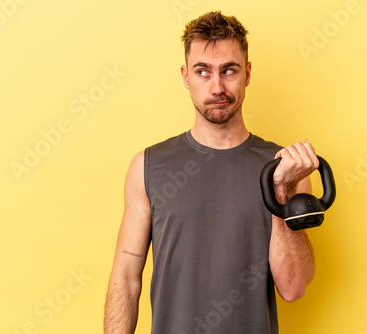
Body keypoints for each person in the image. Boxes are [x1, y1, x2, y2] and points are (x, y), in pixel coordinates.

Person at [104, 11, 317, 334]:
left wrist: (280, 193)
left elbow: (293, 287)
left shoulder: (286, 167)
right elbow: (125, 277)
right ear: (185, 76)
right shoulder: (147, 167)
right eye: (203, 71)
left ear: (246, 73)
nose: (217, 86)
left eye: (228, 70)